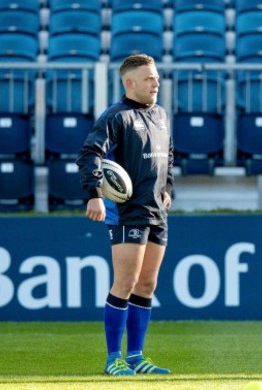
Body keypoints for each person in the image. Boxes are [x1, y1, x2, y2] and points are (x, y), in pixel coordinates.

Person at [76, 54, 174, 376]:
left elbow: (167, 156)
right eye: (149, 78)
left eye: (156, 77)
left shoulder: (160, 115)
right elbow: (91, 153)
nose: (156, 82)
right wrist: (95, 194)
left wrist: (168, 188)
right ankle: (113, 358)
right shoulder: (116, 116)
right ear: (129, 82)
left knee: (147, 284)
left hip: (156, 211)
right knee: (126, 282)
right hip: (126, 212)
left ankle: (136, 357)